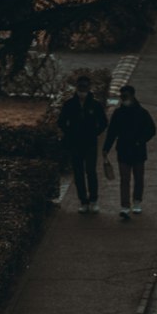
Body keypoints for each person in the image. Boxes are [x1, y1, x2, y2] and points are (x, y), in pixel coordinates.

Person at [102, 85, 157, 221]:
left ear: (132, 95)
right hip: (126, 150)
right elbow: (112, 132)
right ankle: (126, 205)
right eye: (122, 96)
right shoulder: (120, 113)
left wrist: (140, 141)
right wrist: (106, 148)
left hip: (134, 150)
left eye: (124, 96)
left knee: (137, 178)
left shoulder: (141, 113)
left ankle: (136, 201)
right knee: (125, 179)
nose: (123, 99)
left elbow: (151, 130)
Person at [57, 73, 107, 213]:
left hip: (90, 142)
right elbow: (61, 121)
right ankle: (83, 201)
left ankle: (94, 200)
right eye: (80, 87)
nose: (82, 90)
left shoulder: (95, 105)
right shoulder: (69, 104)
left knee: (91, 171)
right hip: (75, 143)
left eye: (85, 87)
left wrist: (94, 133)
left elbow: (103, 122)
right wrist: (70, 132)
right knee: (78, 173)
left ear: (89, 88)